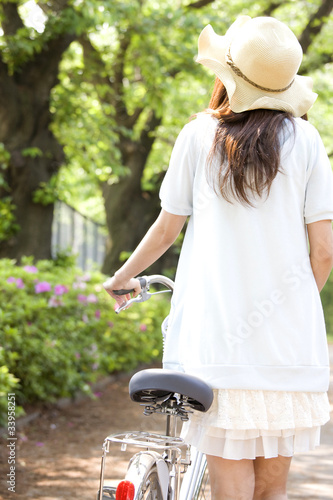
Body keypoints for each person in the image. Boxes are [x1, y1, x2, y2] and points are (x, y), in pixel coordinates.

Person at [103, 16, 333, 500]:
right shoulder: (308, 142)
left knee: (230, 486)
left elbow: (168, 227)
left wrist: (123, 276)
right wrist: (290, 309)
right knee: (272, 488)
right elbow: (324, 251)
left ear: (228, 76)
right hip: (287, 350)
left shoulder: (198, 136)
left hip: (216, 342)